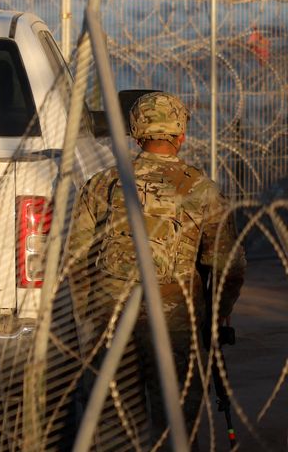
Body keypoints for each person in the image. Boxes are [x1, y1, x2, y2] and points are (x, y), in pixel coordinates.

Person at [65, 91, 245, 445]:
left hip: (111, 317)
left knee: (115, 422)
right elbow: (229, 266)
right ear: (181, 136)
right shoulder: (202, 190)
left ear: (136, 136)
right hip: (174, 321)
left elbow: (77, 257)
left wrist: (89, 312)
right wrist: (215, 314)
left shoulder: (103, 183)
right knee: (175, 421)